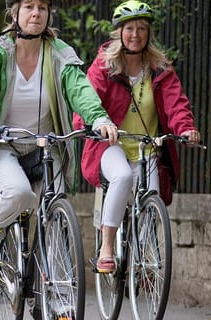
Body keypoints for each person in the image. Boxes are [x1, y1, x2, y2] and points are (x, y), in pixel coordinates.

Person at [0, 0, 119, 276]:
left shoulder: (59, 53)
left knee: (56, 211)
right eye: (29, 7)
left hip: (46, 145)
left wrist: (99, 117)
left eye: (43, 8)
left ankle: (58, 294)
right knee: (20, 193)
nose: (36, 13)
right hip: (2, 144)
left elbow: (79, 88)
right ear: (15, 13)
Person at [73, 0, 200, 273]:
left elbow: (176, 103)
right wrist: (97, 122)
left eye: (142, 28)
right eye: (129, 28)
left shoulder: (160, 68)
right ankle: (107, 248)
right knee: (122, 177)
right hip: (110, 144)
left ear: (149, 33)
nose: (135, 34)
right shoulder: (104, 66)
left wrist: (185, 128)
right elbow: (87, 100)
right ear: (118, 32)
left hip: (147, 148)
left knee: (151, 196)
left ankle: (143, 261)